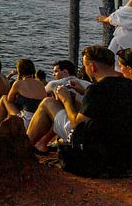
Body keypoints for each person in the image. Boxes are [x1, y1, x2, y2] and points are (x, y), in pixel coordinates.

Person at [57, 46, 132, 177]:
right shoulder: (127, 84)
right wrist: (84, 93)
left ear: (92, 67)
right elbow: (110, 104)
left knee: (48, 104)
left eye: (85, 65)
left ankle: (32, 146)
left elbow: (77, 124)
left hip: (97, 148)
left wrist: (66, 99)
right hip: (122, 150)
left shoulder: (96, 89)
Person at [0, 59, 46, 132]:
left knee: (4, 98)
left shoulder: (19, 83)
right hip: (38, 121)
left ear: (19, 70)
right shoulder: (40, 84)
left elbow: (10, 100)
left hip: (25, 122)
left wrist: (17, 80)